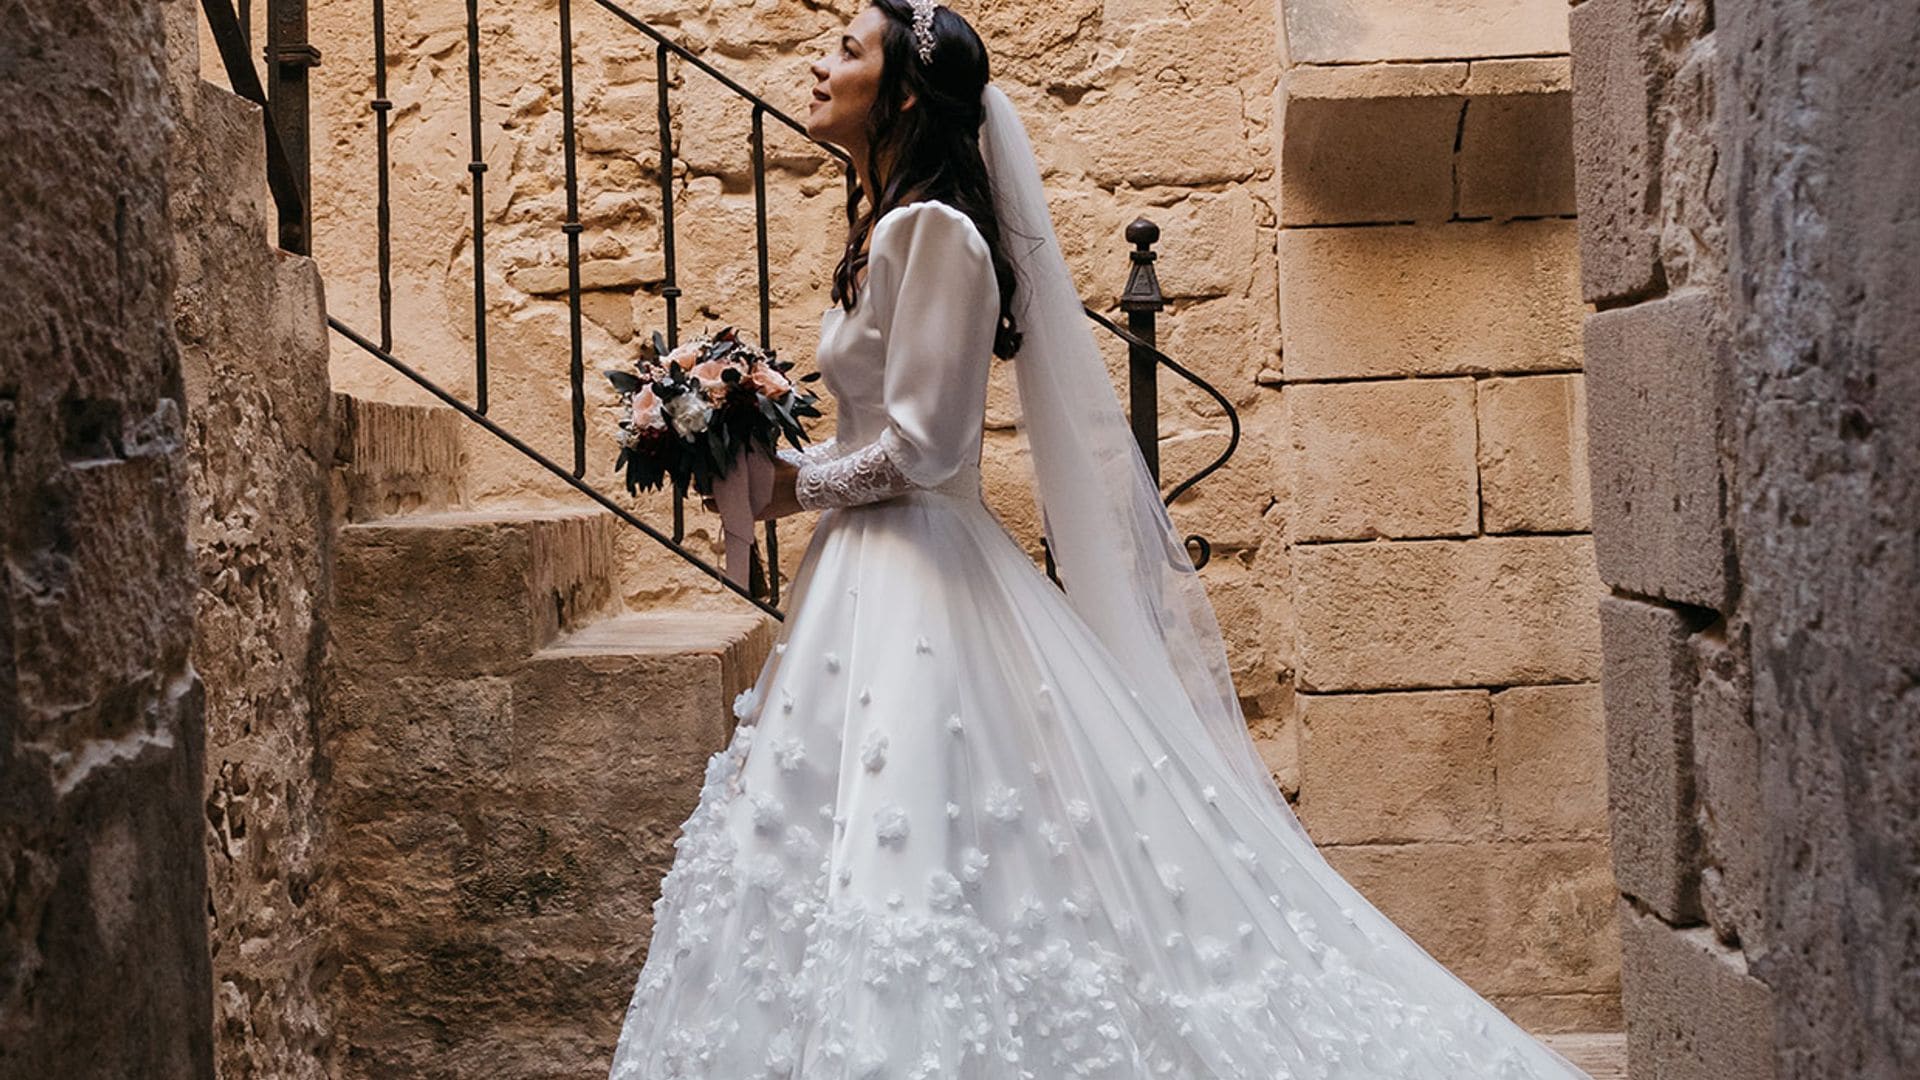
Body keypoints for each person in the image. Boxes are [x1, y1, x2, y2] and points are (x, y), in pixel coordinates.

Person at [610, 3, 1597, 1077]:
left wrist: (796, 488)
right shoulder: (885, 226)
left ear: (900, 95)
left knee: (925, 842)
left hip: (918, 576)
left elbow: (926, 452)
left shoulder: (930, 229)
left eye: (846, 49)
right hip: (868, 577)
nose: (816, 62)